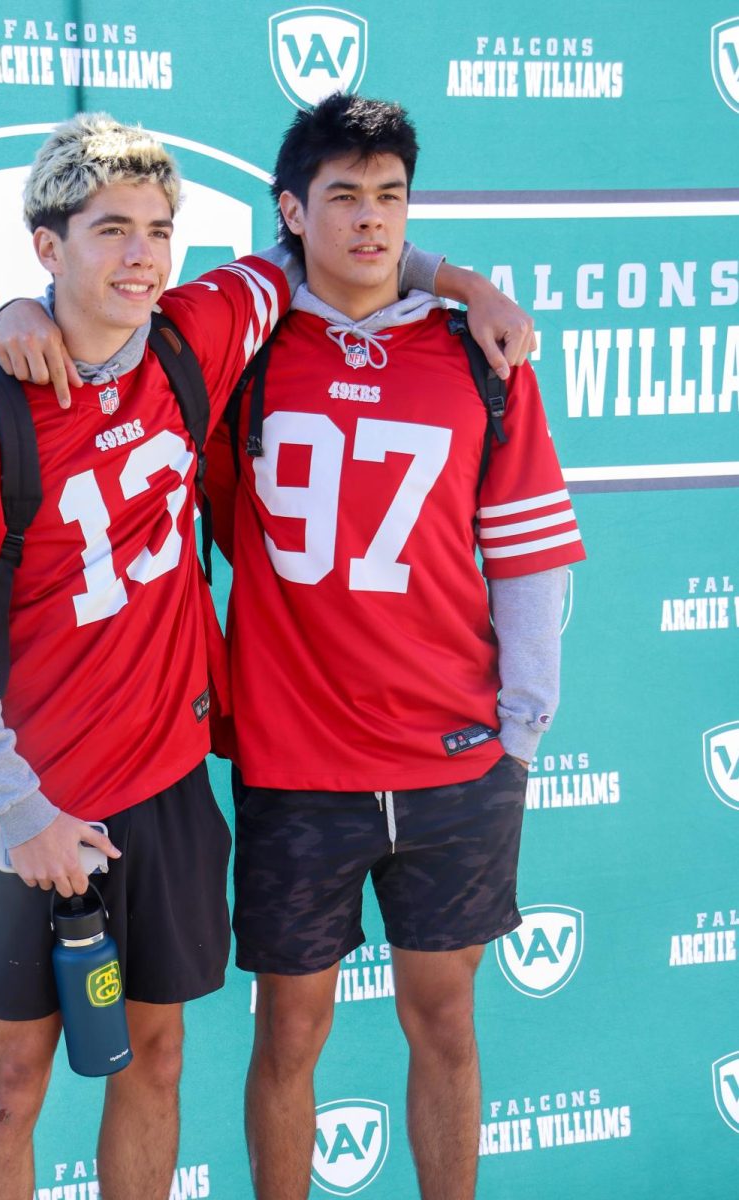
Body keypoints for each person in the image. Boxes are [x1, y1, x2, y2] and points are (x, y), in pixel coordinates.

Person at [0, 115, 532, 1200]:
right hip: (39, 800)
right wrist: (19, 810)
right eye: (110, 230)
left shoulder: (202, 326)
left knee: (155, 1061)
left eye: (159, 231)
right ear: (46, 244)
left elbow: (344, 238)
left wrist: (467, 283)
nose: (141, 255)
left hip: (167, 785)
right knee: (12, 1084)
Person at [201, 94, 586, 1200]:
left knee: (448, 1023)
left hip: (455, 756)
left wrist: (522, 728)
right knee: (289, 1036)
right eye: (343, 198)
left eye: (390, 199)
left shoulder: (482, 355)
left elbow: (524, 551)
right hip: (297, 760)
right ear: (293, 208)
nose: (370, 223)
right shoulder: (245, 352)